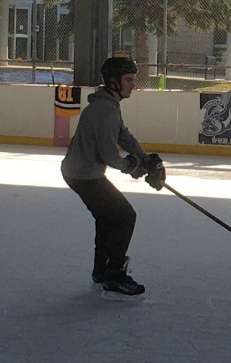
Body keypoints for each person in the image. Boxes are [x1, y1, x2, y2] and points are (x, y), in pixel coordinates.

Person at [61, 57, 165, 298]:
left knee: (108, 218)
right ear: (113, 82)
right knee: (125, 216)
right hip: (84, 175)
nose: (133, 85)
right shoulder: (104, 110)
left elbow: (123, 135)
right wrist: (135, 167)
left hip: (82, 172)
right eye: (128, 80)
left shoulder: (109, 104)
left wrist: (143, 156)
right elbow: (110, 155)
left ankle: (102, 271)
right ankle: (114, 275)